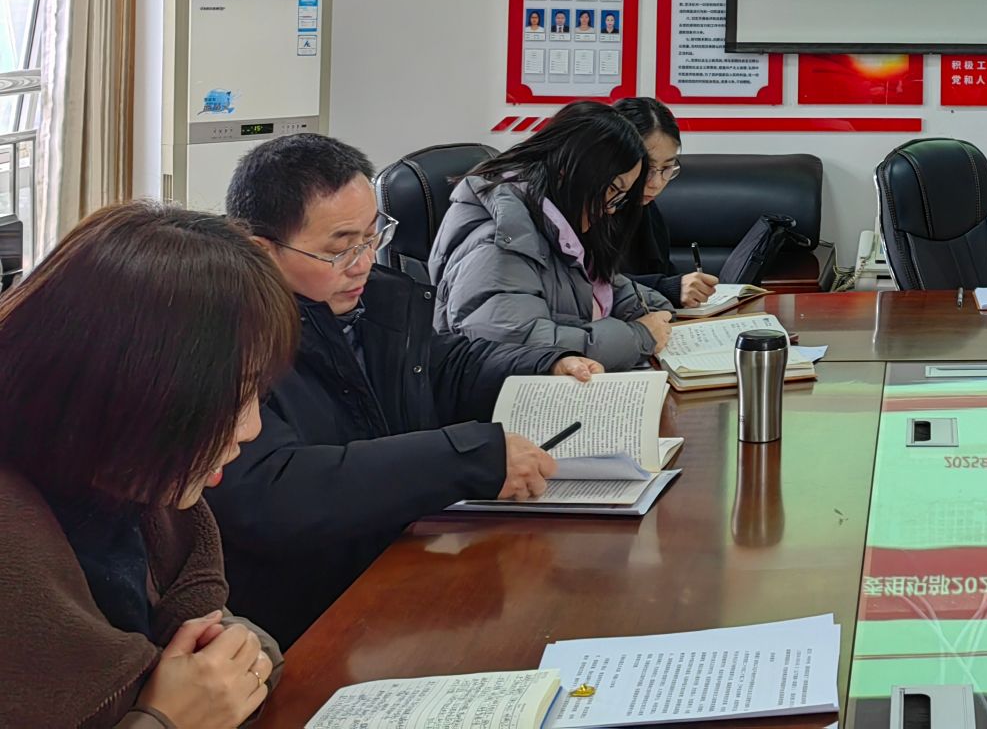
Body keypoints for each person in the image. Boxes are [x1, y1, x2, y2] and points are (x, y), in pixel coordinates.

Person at [209, 135, 607, 648]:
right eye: (339, 248)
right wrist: (467, 459)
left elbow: (441, 367)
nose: (362, 262)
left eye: (372, 236)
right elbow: (275, 491)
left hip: (400, 570)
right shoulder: (231, 343)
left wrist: (544, 363)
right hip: (309, 619)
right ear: (262, 250)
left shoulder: (372, 300)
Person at [0, 202, 296, 729]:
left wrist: (228, 662)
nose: (251, 428)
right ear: (130, 394)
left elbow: (227, 640)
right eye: (231, 399)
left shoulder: (132, 496)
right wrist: (164, 719)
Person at [430, 109, 675, 370]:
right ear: (568, 172)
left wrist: (650, 309)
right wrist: (638, 337)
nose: (611, 208)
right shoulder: (499, 242)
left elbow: (598, 285)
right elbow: (517, 346)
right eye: (613, 189)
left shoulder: (555, 221)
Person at [554, 98, 718, 310]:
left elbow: (663, 271)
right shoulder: (588, 210)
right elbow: (586, 284)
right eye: (646, 168)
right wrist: (667, 288)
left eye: (667, 168)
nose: (656, 183)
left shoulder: (647, 209)